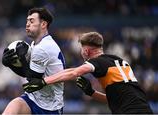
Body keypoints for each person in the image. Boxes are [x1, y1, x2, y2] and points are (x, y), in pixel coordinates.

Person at [23, 32, 153, 114]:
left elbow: (74, 72)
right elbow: (117, 99)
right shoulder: (118, 61)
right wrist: (91, 93)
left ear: (85, 51)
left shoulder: (98, 62)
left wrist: (44, 81)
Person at [2, 7, 65, 114]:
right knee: (14, 106)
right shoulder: (35, 44)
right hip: (33, 98)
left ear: (43, 24)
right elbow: (30, 74)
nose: (27, 24)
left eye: (32, 21)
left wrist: (20, 59)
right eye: (27, 21)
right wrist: (9, 63)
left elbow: (33, 80)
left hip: (50, 107)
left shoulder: (44, 47)